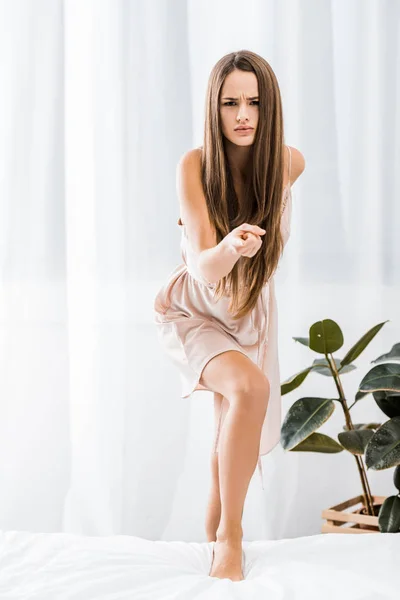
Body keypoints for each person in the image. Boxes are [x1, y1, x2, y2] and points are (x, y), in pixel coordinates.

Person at [153, 49, 305, 581]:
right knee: (250, 390)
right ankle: (232, 538)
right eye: (230, 103)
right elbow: (200, 265)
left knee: (230, 430)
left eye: (254, 102)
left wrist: (244, 255)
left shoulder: (288, 162)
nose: (243, 114)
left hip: (248, 313)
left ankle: (217, 546)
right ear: (213, 109)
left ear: (270, 109)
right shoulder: (193, 165)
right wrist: (232, 247)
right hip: (196, 310)